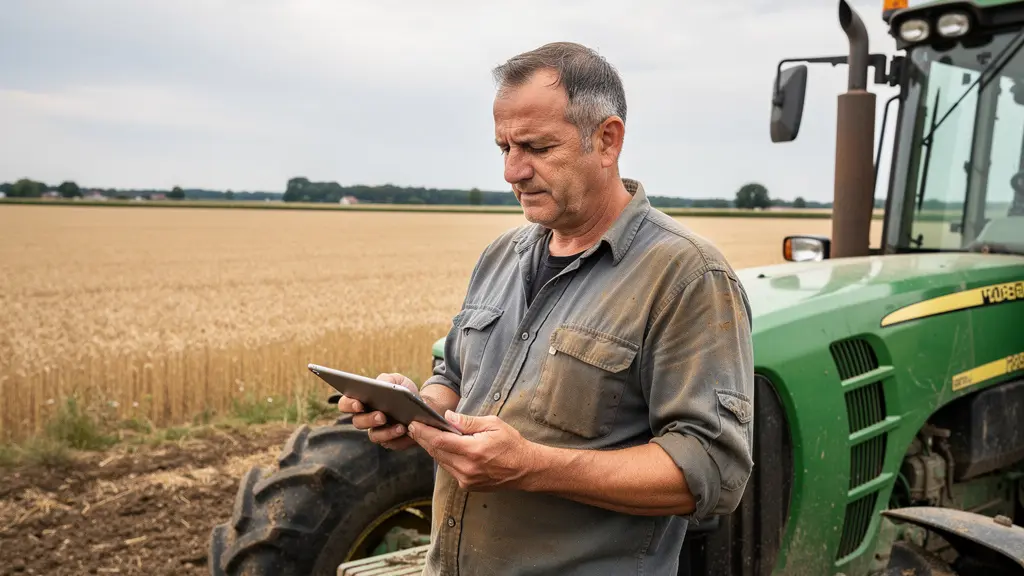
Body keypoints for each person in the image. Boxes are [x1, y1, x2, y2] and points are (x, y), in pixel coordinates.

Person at [338, 41, 755, 575]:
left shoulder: (686, 275)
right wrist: (416, 409)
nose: (512, 172)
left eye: (535, 147)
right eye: (503, 148)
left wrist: (531, 467)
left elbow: (712, 470)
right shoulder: (500, 257)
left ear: (607, 140)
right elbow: (458, 377)